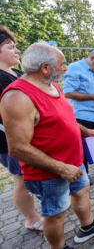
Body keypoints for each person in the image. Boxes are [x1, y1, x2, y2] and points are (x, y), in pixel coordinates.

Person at [0, 42, 94, 249]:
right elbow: (17, 148)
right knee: (56, 213)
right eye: (62, 64)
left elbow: (64, 117)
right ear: (45, 67)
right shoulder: (17, 97)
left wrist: (83, 130)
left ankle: (88, 227)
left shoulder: (51, 85)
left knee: (82, 191)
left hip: (73, 163)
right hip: (51, 171)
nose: (66, 68)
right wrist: (62, 168)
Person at [0, 26, 44, 232]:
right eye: (11, 47)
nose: (18, 51)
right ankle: (31, 219)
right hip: (12, 140)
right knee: (22, 181)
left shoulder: (17, 72)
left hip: (32, 135)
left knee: (29, 178)